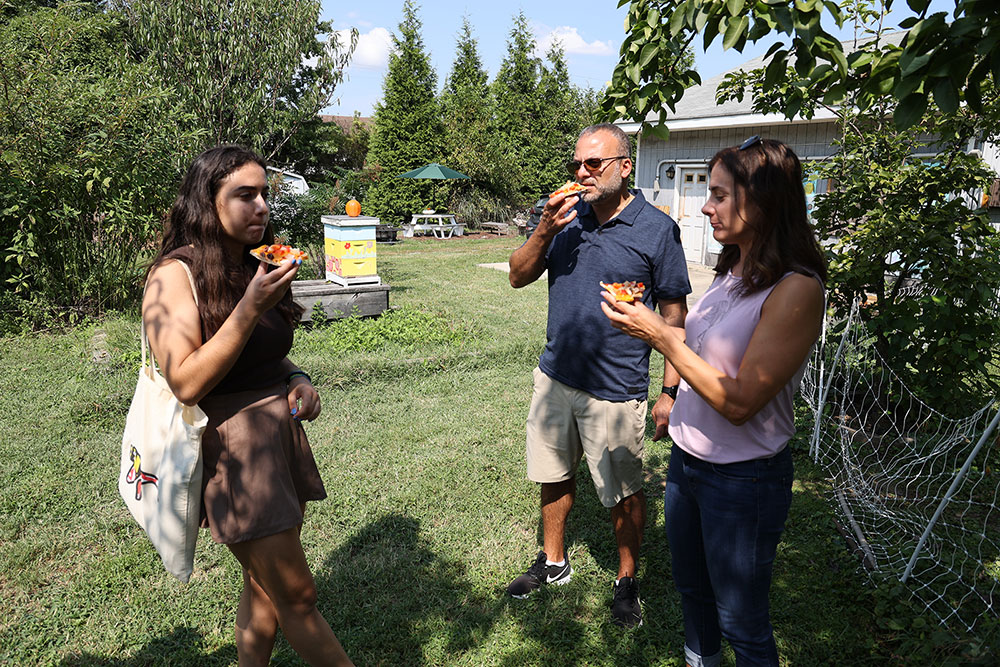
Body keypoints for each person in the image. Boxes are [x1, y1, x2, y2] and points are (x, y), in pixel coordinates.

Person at [601, 136, 827, 665]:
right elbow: (698, 351)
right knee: (693, 595)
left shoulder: (797, 288)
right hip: (688, 462)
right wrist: (647, 328)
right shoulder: (734, 272)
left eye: (720, 195)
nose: (705, 205)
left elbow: (741, 400)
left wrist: (659, 335)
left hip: (743, 478)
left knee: (741, 622)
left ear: (764, 201)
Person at [142, 145, 353, 666]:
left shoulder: (248, 264)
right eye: (244, 195)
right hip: (233, 454)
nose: (261, 206)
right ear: (205, 202)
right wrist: (250, 306)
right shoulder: (174, 275)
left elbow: (262, 355)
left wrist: (297, 375)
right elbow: (187, 382)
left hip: (275, 440)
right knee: (298, 596)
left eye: (265, 194)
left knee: (263, 588)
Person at [506, 123, 690, 628]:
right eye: (576, 165)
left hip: (616, 384)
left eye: (594, 164)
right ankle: (553, 561)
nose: (582, 173)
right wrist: (544, 228)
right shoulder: (564, 218)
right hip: (556, 375)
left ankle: (626, 578)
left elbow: (675, 317)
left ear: (624, 167)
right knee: (552, 471)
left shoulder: (656, 229)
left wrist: (669, 390)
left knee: (624, 489)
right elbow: (517, 274)